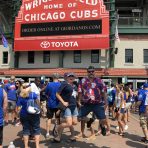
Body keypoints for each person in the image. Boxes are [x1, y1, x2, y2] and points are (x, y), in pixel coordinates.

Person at [76, 66, 107, 139]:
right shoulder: (83, 81)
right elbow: (80, 91)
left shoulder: (100, 81)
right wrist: (78, 101)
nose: (91, 73)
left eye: (92, 71)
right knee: (79, 118)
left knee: (102, 119)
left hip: (97, 103)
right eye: (89, 71)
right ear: (87, 72)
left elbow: (104, 92)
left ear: (94, 72)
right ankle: (89, 120)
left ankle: (102, 127)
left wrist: (106, 102)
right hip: (86, 103)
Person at [53, 72, 78, 142]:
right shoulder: (64, 84)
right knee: (69, 123)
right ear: (66, 78)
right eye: (70, 76)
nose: (71, 77)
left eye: (73, 76)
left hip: (74, 106)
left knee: (75, 122)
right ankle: (57, 128)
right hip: (67, 106)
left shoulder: (75, 85)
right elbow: (57, 94)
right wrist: (63, 102)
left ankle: (61, 128)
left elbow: (75, 95)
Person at [16, 83, 41, 148]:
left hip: (24, 114)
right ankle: (37, 146)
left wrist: (18, 115)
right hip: (34, 114)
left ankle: (26, 146)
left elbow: (18, 107)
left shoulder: (20, 96)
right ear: (29, 87)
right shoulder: (33, 94)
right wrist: (39, 109)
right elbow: (38, 103)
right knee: (36, 129)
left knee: (25, 130)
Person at [45, 73, 61, 138]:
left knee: (49, 118)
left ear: (52, 77)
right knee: (57, 119)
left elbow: (46, 94)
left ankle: (47, 133)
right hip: (58, 104)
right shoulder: (60, 85)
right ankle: (56, 132)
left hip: (50, 103)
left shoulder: (49, 84)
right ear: (58, 77)